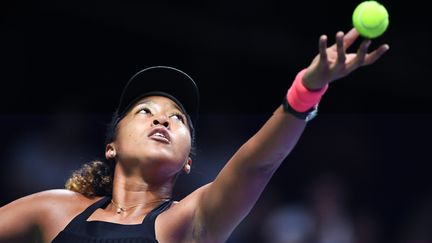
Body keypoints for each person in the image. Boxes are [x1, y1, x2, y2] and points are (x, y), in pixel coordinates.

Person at [0, 28, 389, 243]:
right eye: (145, 111)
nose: (162, 120)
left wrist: (307, 88)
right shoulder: (54, 209)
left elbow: (257, 165)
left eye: (177, 118)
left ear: (189, 160)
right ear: (111, 146)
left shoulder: (188, 223)